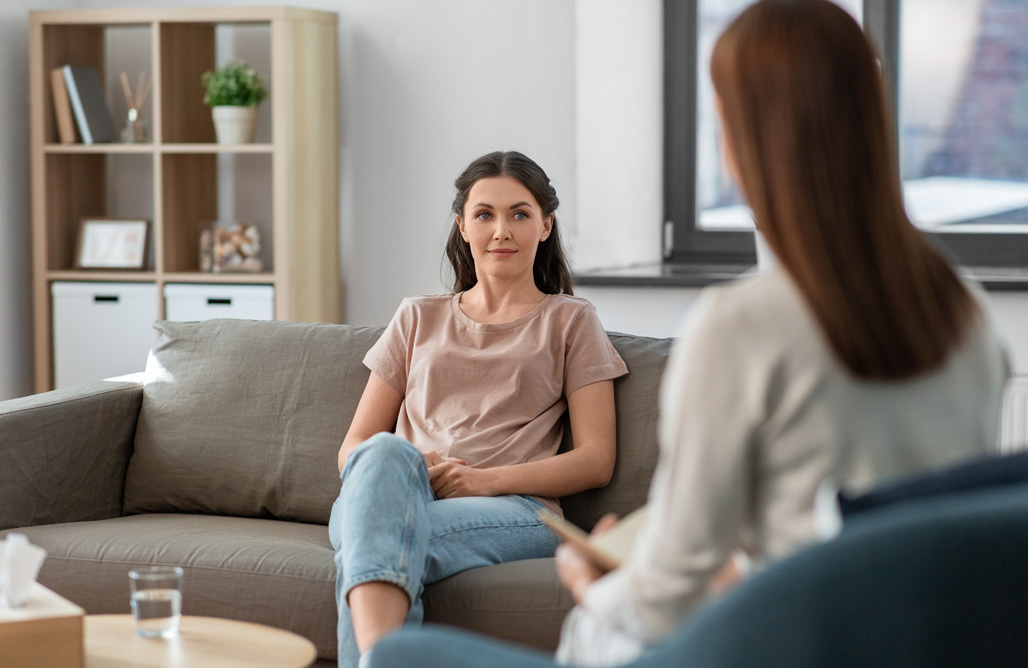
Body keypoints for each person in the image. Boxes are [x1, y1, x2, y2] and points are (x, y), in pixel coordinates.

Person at [366, 1, 1009, 667]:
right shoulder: (963, 311)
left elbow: (666, 592)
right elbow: (895, 536)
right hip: (901, 640)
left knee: (400, 659)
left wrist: (598, 586)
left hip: (761, 647)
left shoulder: (740, 328)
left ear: (742, 141)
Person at [329, 150, 629, 667]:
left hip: (514, 508)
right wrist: (416, 468)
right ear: (463, 227)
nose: (501, 231)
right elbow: (353, 450)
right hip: (396, 492)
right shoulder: (416, 316)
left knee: (376, 549)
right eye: (484, 214)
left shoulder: (571, 321)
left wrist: (483, 479)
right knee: (381, 459)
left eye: (520, 213)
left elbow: (596, 459)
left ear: (545, 224)